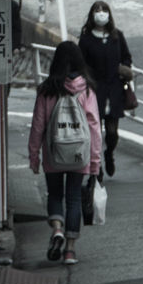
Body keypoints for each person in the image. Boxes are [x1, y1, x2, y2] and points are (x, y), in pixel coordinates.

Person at [27, 40, 102, 266]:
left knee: (55, 195)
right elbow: (94, 127)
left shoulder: (47, 90)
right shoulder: (86, 89)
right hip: (79, 153)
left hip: (53, 153)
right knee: (74, 198)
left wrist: (34, 156)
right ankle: (70, 250)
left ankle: (57, 229)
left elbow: (38, 125)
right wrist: (95, 161)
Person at [78, 0, 133, 178]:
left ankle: (109, 153)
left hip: (115, 88)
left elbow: (126, 57)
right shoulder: (86, 39)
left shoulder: (117, 36)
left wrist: (123, 68)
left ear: (109, 14)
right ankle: (97, 165)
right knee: (95, 132)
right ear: (92, 15)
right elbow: (81, 63)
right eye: (97, 10)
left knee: (112, 132)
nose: (101, 13)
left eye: (104, 10)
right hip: (95, 89)